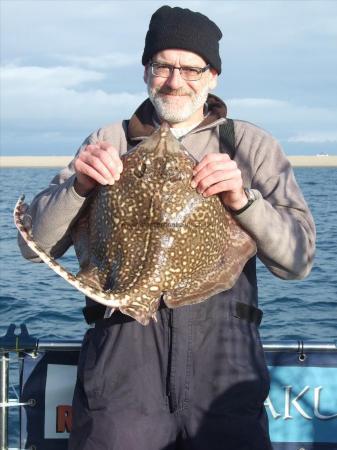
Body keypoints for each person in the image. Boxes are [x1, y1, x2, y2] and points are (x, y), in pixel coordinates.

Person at [18, 5, 315, 450]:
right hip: (124, 362)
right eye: (163, 66)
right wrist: (79, 186)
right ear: (145, 70)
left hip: (223, 362)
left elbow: (298, 261)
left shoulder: (251, 145)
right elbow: (35, 247)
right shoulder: (108, 140)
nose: (176, 80)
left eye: (191, 69)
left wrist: (243, 201)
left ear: (212, 75)